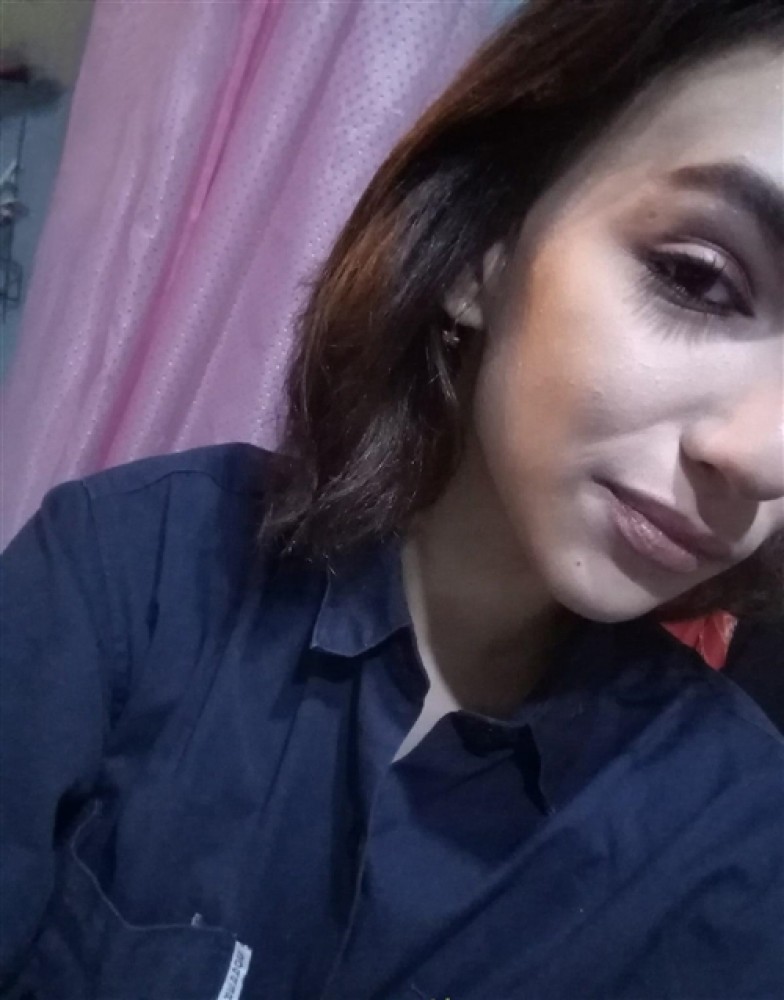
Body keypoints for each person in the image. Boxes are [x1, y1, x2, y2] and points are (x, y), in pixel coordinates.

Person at [1, 0, 783, 997]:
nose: (762, 458)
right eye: (698, 280)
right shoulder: (135, 573)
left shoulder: (737, 840)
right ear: (481, 251)